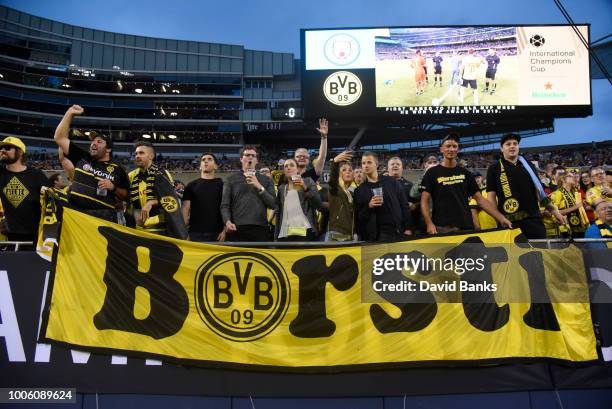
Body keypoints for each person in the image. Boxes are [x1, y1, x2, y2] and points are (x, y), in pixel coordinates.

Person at [421, 134, 511, 234]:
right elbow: (424, 200)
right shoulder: (431, 173)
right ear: (441, 149)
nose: (451, 149)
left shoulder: (466, 173)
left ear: (458, 150)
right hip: (442, 227)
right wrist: (429, 223)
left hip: (466, 226)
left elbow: (480, 200)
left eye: (454, 146)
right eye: (448, 146)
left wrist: (501, 218)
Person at [54, 105, 129, 222]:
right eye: (93, 141)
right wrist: (69, 113)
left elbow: (125, 195)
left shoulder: (119, 169)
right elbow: (59, 138)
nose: (94, 143)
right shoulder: (82, 157)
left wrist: (113, 187)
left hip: (105, 217)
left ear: (108, 149)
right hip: (75, 213)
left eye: (99, 142)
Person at [486, 133, 564, 239]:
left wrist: (555, 211)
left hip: (533, 220)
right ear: (501, 149)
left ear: (518, 147)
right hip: (509, 222)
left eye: (515, 143)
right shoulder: (494, 169)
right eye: (508, 144)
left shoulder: (529, 165)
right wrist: (499, 218)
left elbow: (540, 192)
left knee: (539, 253)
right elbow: (491, 197)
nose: (512, 146)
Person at [354, 151, 413, 241]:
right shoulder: (359, 190)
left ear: (376, 164)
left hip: (396, 232)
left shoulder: (391, 181)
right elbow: (359, 217)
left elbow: (404, 205)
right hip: (374, 236)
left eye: (369, 162)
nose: (366, 165)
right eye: (363, 163)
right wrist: (369, 206)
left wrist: (408, 228)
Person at [221, 146, 276, 242]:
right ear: (241, 159)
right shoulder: (230, 179)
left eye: (253, 156)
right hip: (236, 228)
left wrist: (259, 186)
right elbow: (225, 205)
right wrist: (227, 221)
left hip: (260, 228)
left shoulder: (266, 180)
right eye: (247, 155)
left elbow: (273, 204)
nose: (250, 157)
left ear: (256, 160)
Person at [0, 136, 48, 242]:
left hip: (36, 235)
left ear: (20, 152)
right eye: (1, 148)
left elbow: (50, 202)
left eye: (8, 148)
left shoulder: (36, 175)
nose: (2, 150)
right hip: (10, 236)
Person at [128, 141, 175, 235]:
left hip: (160, 229)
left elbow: (172, 199)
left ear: (151, 156)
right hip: (138, 229)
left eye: (141, 153)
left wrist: (151, 202)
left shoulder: (162, 174)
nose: (137, 156)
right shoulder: (131, 175)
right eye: (136, 153)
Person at [274, 158, 322, 241]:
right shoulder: (281, 189)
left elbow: (318, 204)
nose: (288, 168)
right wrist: (275, 237)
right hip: (285, 234)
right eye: (286, 166)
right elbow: (278, 212)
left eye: (292, 165)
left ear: (297, 169)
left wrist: (305, 187)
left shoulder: (308, 181)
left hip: (306, 232)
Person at [182, 153, 224, 242]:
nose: (206, 161)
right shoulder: (191, 186)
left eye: (209, 159)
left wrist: (225, 230)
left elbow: (227, 208)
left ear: (216, 166)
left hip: (218, 233)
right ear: (200, 167)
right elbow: (185, 209)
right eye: (203, 160)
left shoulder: (223, 185)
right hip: (195, 233)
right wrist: (183, 232)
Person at [550, 173, 589, 238]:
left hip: (579, 228)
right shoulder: (557, 193)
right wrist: (576, 207)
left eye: (574, 176)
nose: (574, 177)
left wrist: (583, 206)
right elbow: (553, 212)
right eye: (570, 176)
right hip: (565, 230)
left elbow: (578, 208)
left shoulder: (574, 193)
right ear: (563, 180)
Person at [327, 151, 355, 241]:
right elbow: (332, 180)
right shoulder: (336, 189)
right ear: (339, 174)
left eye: (350, 170)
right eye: (344, 170)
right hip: (336, 234)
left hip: (349, 236)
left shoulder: (351, 193)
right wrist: (335, 162)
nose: (348, 172)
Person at [294, 118, 328, 183]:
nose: (302, 158)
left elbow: (322, 157)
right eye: (299, 156)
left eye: (305, 156)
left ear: (308, 160)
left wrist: (324, 137)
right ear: (294, 159)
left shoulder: (312, 174)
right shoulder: (286, 175)